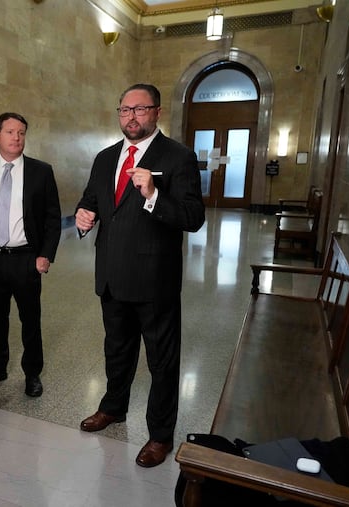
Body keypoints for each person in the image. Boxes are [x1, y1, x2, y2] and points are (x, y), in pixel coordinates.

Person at [75, 84, 205, 468]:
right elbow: (92, 200)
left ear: (157, 112)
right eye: (125, 110)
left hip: (154, 280)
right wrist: (85, 215)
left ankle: (160, 435)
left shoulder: (178, 157)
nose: (131, 116)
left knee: (161, 361)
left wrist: (152, 194)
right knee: (116, 350)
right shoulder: (105, 157)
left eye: (140, 109)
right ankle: (113, 407)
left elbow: (193, 218)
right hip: (112, 277)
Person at [0, 112, 61, 398]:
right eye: (10, 132)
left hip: (26, 259)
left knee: (30, 320)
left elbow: (52, 218)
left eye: (21, 132)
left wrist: (46, 255)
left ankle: (32, 373)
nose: (16, 137)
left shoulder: (41, 171)